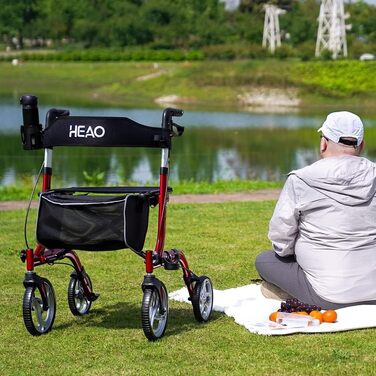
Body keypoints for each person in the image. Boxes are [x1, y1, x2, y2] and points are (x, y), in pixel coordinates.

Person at [255, 111, 376, 309]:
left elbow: (281, 238)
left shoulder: (301, 180)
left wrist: (293, 255)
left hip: (329, 295)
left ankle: (288, 292)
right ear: (361, 145)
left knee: (265, 260)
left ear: (323, 143)